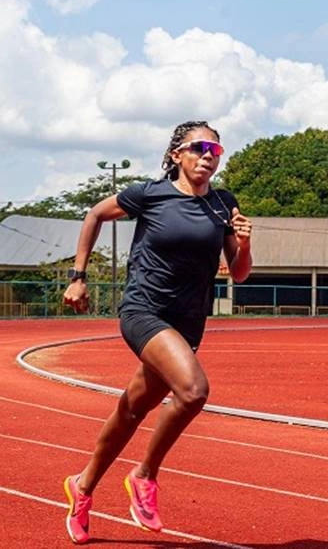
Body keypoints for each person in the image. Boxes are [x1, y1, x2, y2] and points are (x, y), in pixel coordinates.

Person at [60, 120, 253, 544]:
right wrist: (79, 275)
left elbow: (238, 274)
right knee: (193, 391)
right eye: (199, 147)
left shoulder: (223, 205)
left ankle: (83, 486)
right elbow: (95, 213)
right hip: (144, 310)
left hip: (188, 321)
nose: (208, 156)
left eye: (215, 151)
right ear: (176, 155)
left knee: (132, 408)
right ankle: (145, 476)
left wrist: (244, 242)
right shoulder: (150, 194)